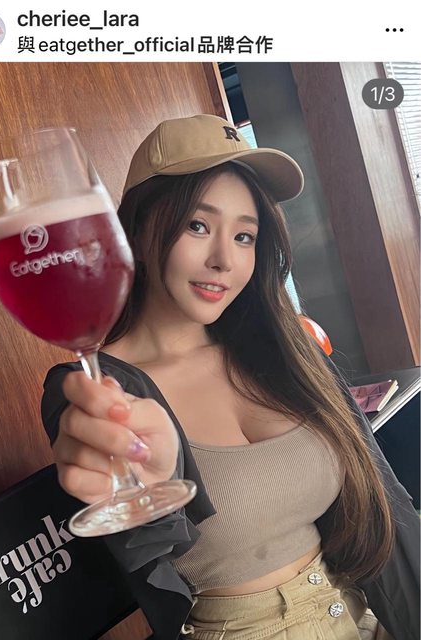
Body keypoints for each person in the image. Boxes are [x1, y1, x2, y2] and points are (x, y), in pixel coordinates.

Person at [41, 114, 420, 640]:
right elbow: (139, 531)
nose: (224, 259)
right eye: (198, 226)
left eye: (245, 236)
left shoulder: (286, 350)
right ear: (139, 229)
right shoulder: (97, 391)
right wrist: (150, 480)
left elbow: (387, 505)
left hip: (363, 617)